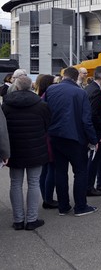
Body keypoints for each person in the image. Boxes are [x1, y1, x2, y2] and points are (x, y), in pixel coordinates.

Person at [44, 66, 98, 217]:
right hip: (75, 138)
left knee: (60, 172)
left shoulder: (51, 90)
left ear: (63, 76)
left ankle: (63, 206)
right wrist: (93, 140)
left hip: (55, 136)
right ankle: (80, 206)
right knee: (80, 172)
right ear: (76, 78)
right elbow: (86, 120)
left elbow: (45, 112)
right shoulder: (80, 93)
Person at [3, 76, 51, 230]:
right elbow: (47, 125)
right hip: (35, 147)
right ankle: (31, 219)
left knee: (15, 183)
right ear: (31, 86)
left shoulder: (6, 105)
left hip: (14, 148)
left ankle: (18, 220)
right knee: (33, 183)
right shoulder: (41, 104)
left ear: (15, 87)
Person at [85, 66, 101, 197]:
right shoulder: (94, 91)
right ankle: (89, 186)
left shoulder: (91, 88)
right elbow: (93, 113)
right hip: (96, 130)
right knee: (94, 158)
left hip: (97, 128)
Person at [36, 74, 58, 209]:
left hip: (42, 137)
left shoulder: (40, 98)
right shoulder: (47, 99)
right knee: (51, 168)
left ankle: (46, 197)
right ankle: (48, 198)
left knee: (44, 169)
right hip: (49, 137)